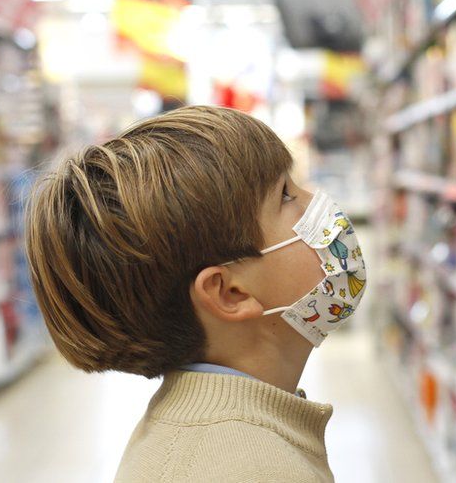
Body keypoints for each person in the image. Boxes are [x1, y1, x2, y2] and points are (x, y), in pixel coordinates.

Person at [24, 106, 367, 483]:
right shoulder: (254, 469)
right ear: (229, 293)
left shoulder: (213, 436)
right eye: (286, 195)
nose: (316, 200)